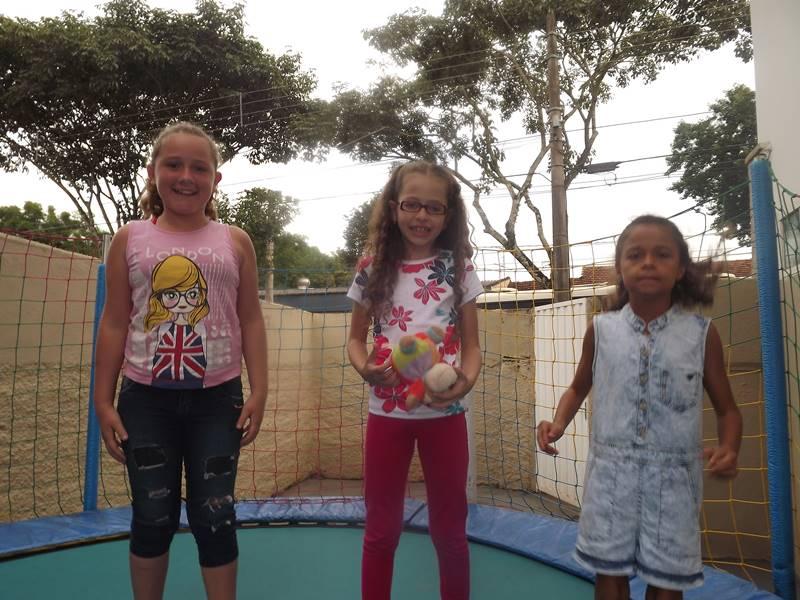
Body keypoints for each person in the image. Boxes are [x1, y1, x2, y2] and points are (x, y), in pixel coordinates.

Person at [93, 121, 268, 600]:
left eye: (199, 167)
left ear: (216, 179)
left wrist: (259, 390)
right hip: (145, 402)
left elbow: (250, 319)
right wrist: (103, 402)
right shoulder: (130, 238)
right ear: (153, 172)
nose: (186, 176)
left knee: (216, 515)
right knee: (152, 516)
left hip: (218, 401)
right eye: (173, 165)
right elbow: (114, 322)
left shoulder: (235, 241)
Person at [537, 215, 742, 600]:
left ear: (680, 269)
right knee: (609, 574)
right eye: (636, 255)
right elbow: (578, 387)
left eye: (662, 254)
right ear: (620, 268)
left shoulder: (701, 335)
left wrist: (730, 447)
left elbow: (728, 409)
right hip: (610, 478)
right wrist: (559, 422)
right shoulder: (601, 330)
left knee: (667, 582)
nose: (648, 262)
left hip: (675, 483)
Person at [347, 160, 484, 600]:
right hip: (387, 412)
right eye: (411, 205)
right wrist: (364, 367)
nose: (422, 216)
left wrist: (466, 381)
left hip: (445, 413)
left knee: (450, 530)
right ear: (393, 208)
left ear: (448, 214)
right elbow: (355, 340)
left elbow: (472, 346)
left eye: (433, 207)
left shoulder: (457, 268)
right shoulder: (372, 268)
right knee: (381, 530)